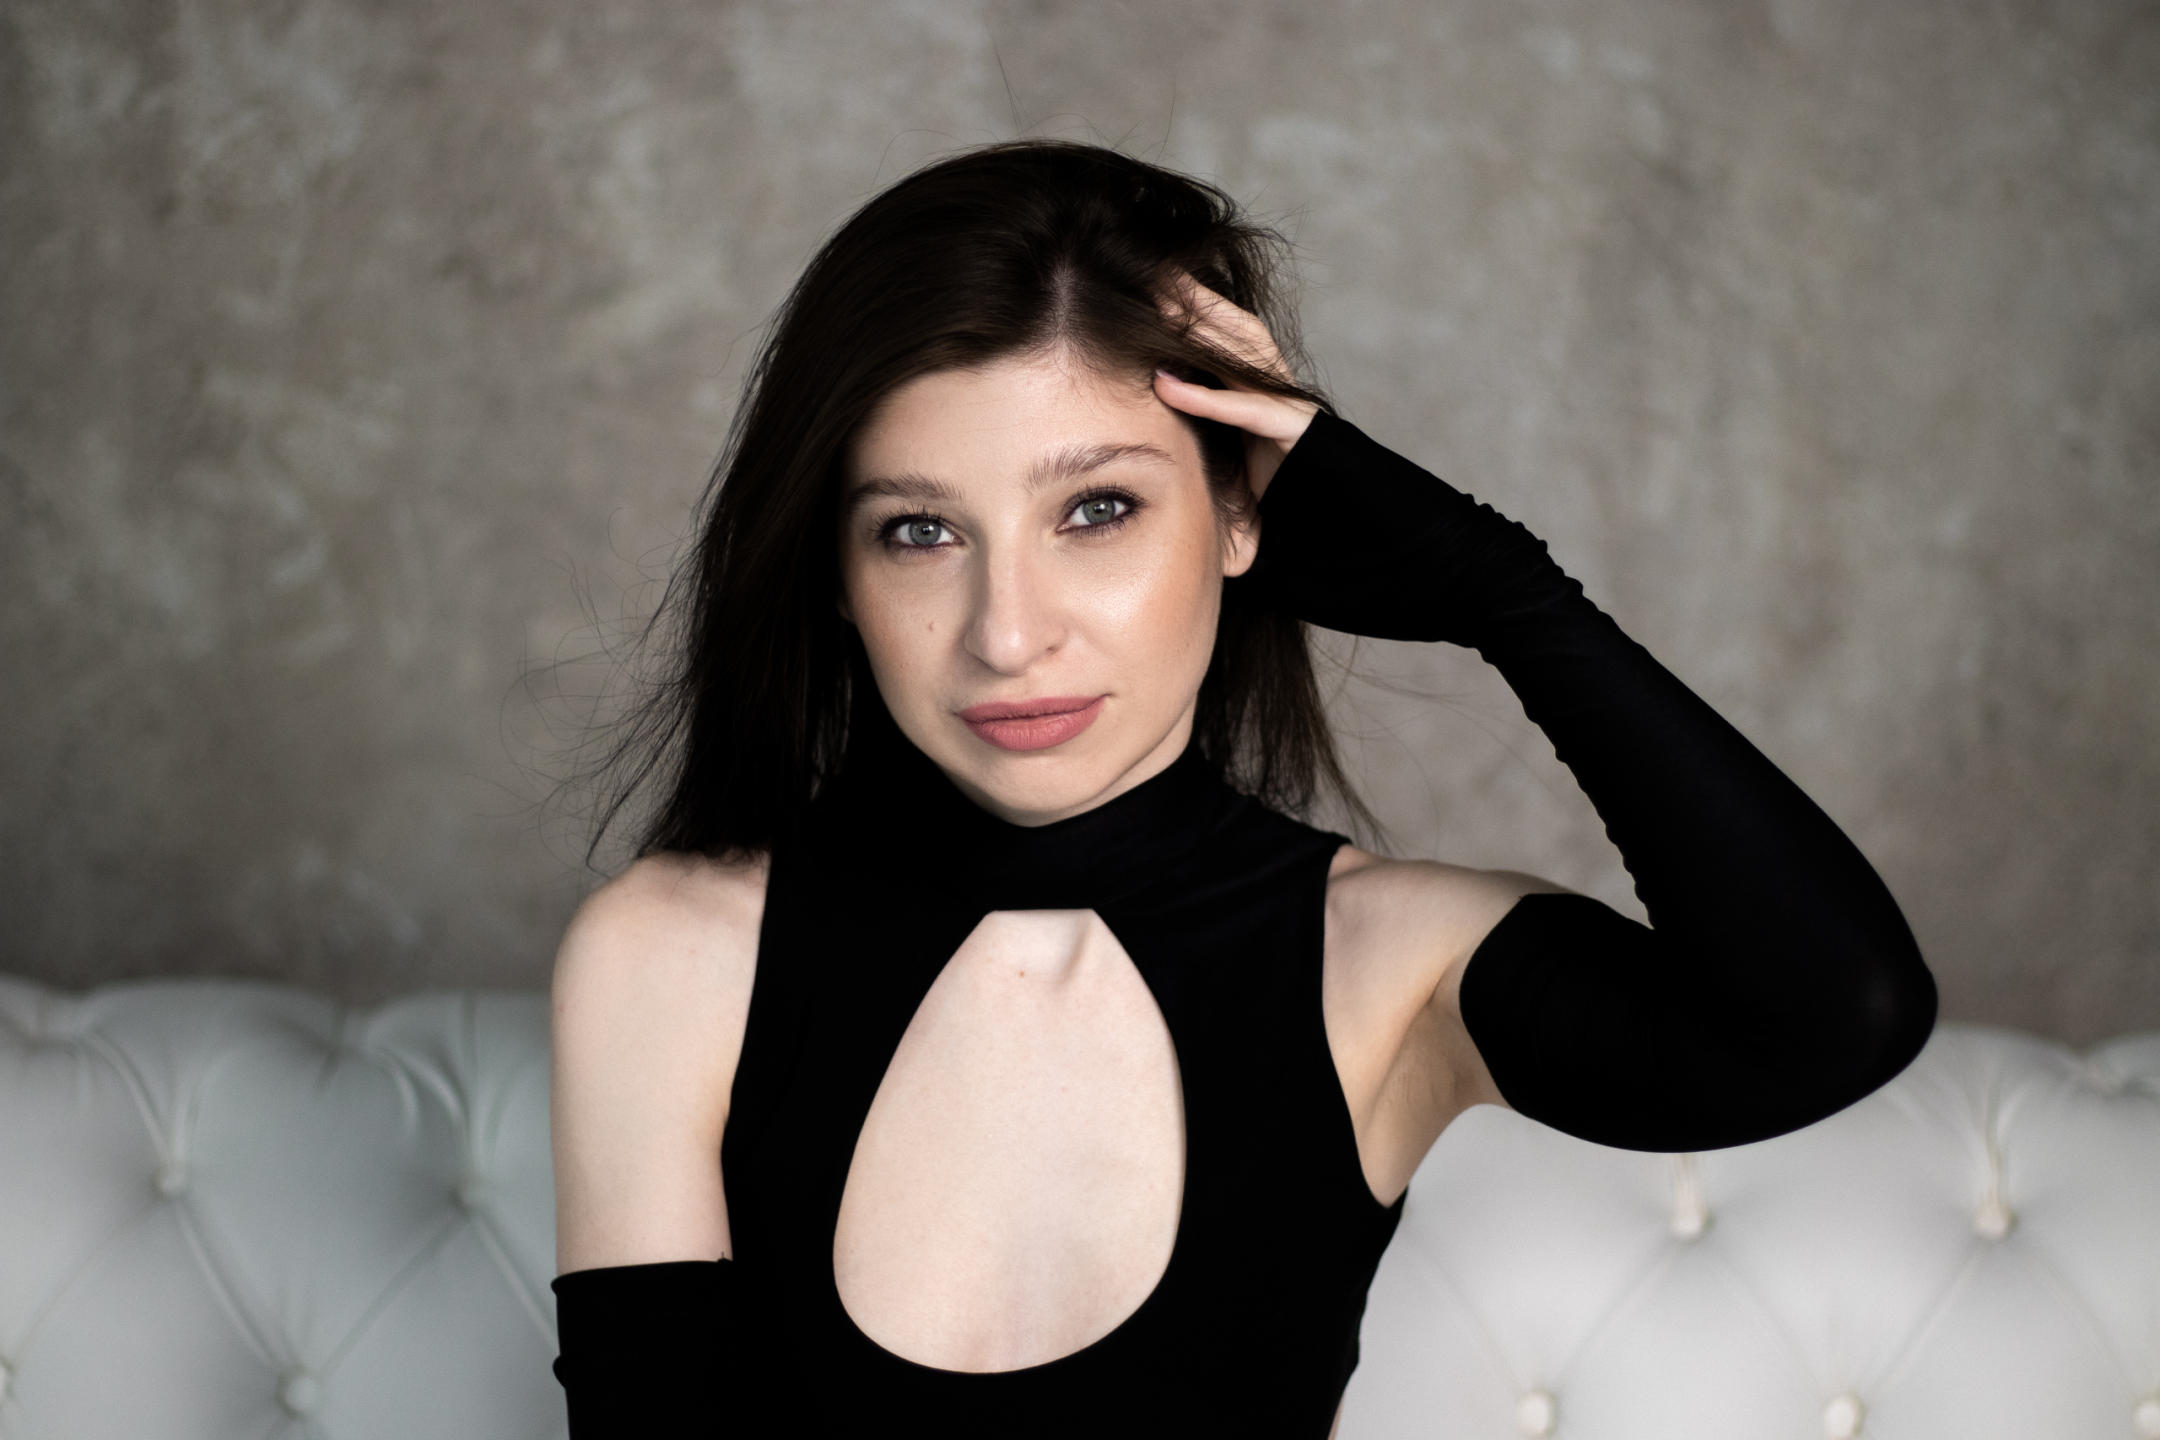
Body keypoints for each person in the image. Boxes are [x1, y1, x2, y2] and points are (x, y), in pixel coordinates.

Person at [546, 139, 1937, 1438]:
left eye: (1096, 510)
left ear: (1237, 513)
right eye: (919, 532)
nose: (1007, 633)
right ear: (836, 578)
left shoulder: (1382, 968)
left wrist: (1502, 590)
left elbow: (1836, 1013)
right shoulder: (672, 958)